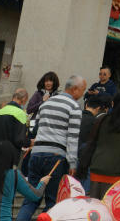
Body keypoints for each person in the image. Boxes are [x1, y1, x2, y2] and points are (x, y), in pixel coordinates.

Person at [17, 75, 86, 221]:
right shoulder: (74, 107)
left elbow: (36, 129)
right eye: (82, 90)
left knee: (31, 199)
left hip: (36, 154)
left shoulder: (46, 104)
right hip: (56, 157)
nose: (82, 94)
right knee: (52, 201)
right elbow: (72, 138)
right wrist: (73, 163)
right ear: (74, 89)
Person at [85, 90, 120, 198]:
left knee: (95, 209)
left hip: (96, 168)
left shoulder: (102, 119)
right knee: (109, 209)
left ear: (112, 103)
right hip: (116, 172)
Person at [76, 95, 110, 187]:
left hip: (72, 157)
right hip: (86, 160)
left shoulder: (75, 118)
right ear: (98, 108)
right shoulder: (95, 122)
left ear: (86, 105)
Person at [0, 89, 29, 156]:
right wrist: (29, 142)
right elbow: (20, 139)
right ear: (24, 99)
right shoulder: (20, 113)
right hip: (9, 155)